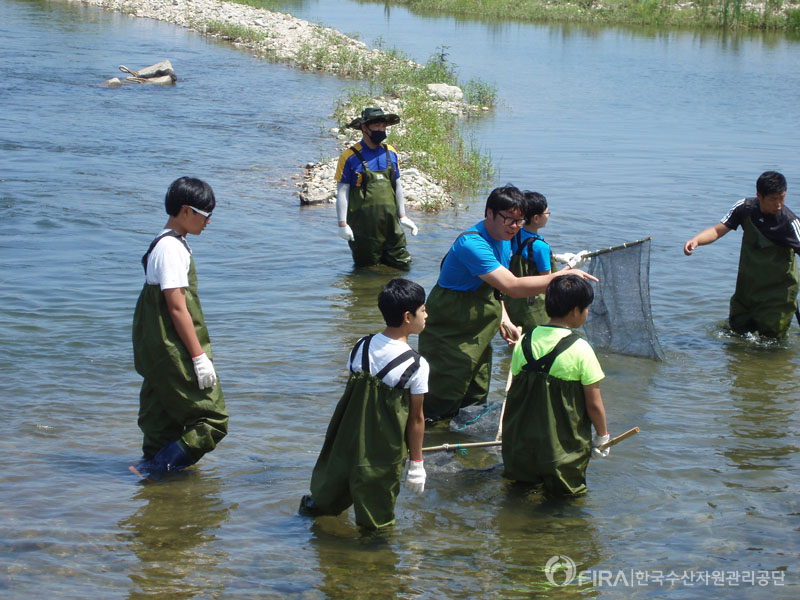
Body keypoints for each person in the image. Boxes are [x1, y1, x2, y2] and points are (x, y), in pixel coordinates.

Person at [417, 184, 597, 422]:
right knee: (443, 395)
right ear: (489, 213)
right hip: (451, 330)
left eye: (520, 221)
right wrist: (562, 275)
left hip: (480, 328)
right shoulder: (472, 244)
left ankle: (467, 452)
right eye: (509, 219)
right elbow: (511, 286)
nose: (515, 227)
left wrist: (504, 318)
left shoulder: (504, 239)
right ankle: (429, 446)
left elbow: (495, 288)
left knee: (476, 392)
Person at [299, 278, 429, 530]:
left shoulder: (361, 345)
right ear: (407, 316)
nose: (426, 315)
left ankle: (309, 544)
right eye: (423, 310)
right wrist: (417, 463)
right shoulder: (417, 364)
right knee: (376, 522)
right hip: (382, 450)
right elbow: (416, 418)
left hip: (344, 440)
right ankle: (372, 564)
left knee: (323, 500)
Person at [131, 177, 229, 479]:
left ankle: (158, 501)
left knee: (161, 419)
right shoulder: (171, 249)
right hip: (173, 346)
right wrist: (198, 358)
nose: (209, 221)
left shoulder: (163, 242)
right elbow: (176, 307)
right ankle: (155, 468)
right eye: (205, 214)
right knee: (212, 420)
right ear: (186, 211)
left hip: (156, 347)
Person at [502, 274, 610, 496]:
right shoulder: (582, 349)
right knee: (565, 502)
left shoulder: (525, 340)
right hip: (561, 451)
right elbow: (594, 404)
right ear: (575, 311)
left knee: (519, 494)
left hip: (520, 444)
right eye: (586, 308)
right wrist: (602, 436)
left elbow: (516, 386)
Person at [683, 171, 800, 338]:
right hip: (747, 290)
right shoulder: (744, 208)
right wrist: (696, 241)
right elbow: (717, 230)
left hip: (777, 296)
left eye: (782, 198)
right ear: (759, 196)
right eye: (773, 199)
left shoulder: (789, 223)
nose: (779, 204)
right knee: (737, 334)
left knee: (772, 345)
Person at [335, 107, 418, 270]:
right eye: (377, 126)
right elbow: (342, 192)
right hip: (363, 226)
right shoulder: (349, 157)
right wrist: (342, 224)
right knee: (367, 271)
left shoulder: (391, 152)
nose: (382, 130)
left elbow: (398, 185)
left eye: (384, 126)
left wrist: (403, 215)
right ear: (364, 128)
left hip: (391, 222)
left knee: (402, 265)